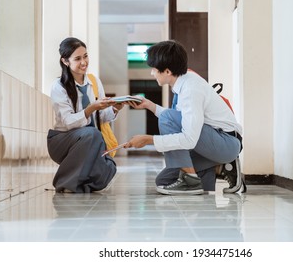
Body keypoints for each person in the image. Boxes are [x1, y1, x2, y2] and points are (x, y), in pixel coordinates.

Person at [125, 40, 243, 195]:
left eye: (154, 69)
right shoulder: (183, 82)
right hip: (211, 142)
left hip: (226, 143)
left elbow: (189, 138)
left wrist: (149, 139)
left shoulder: (190, 89)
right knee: (164, 181)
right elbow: (181, 120)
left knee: (167, 117)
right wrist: (150, 106)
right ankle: (217, 168)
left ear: (167, 71)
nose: (152, 73)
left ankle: (191, 179)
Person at [47, 37, 123, 193]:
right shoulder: (58, 86)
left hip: (90, 138)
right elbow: (68, 122)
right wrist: (90, 108)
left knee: (109, 169)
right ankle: (65, 183)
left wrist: (115, 109)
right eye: (78, 58)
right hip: (62, 141)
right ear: (65, 61)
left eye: (85, 56)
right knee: (92, 134)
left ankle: (81, 184)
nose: (84, 62)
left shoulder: (94, 83)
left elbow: (100, 117)